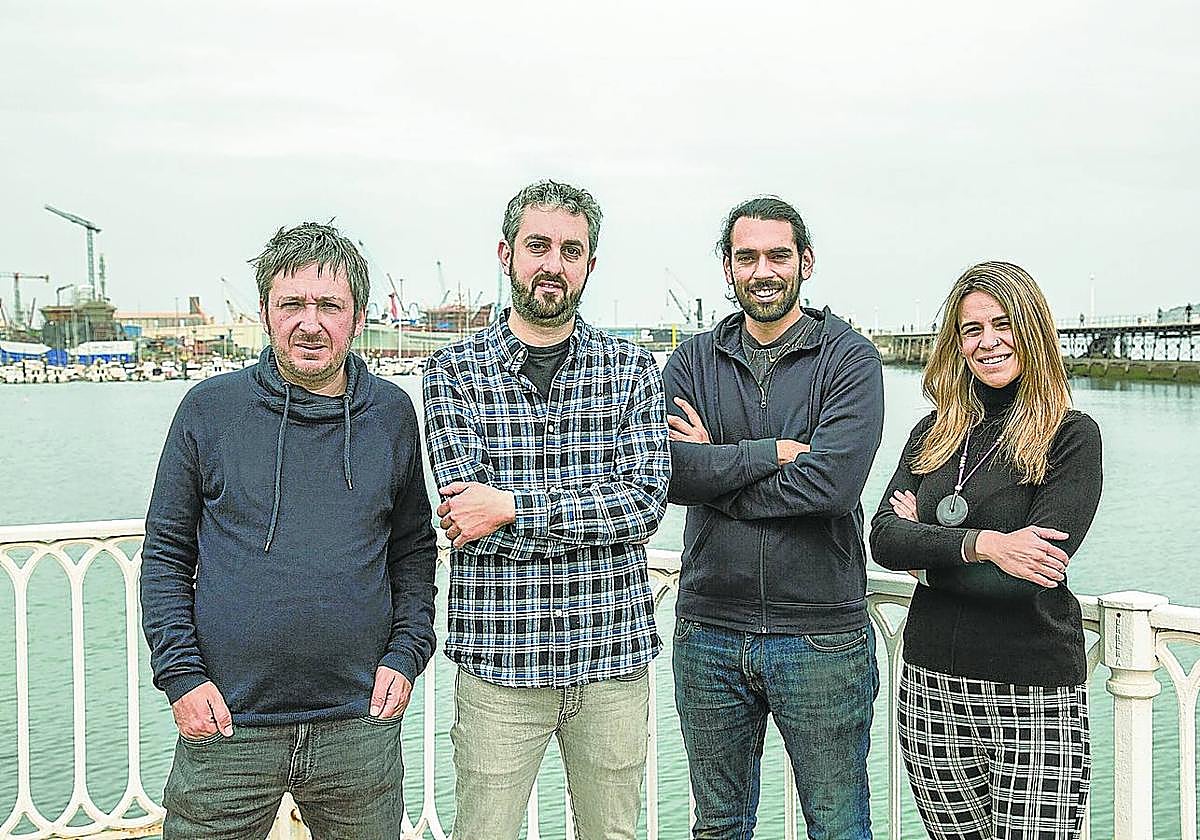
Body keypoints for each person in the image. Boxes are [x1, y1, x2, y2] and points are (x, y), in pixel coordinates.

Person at [140, 222, 438, 840]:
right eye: (292, 304)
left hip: (359, 721)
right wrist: (181, 676)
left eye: (329, 305)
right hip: (227, 720)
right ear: (265, 312)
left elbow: (413, 551)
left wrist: (406, 656)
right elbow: (166, 555)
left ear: (356, 317)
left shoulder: (391, 415)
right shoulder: (208, 409)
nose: (310, 322)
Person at [422, 179, 670, 840]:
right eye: (538, 245)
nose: (552, 264)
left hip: (611, 661)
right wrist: (570, 514)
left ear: (590, 265)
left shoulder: (633, 370)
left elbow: (644, 506)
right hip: (502, 665)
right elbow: (464, 514)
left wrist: (508, 507)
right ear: (506, 253)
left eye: (570, 250)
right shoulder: (452, 372)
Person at [663, 196, 884, 839]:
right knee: (718, 825)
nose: (764, 270)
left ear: (805, 262)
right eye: (747, 257)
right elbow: (670, 473)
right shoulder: (691, 362)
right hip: (709, 629)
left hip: (820, 634)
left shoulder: (850, 359)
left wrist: (720, 476)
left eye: (778, 255)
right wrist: (764, 456)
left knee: (837, 824)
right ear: (728, 271)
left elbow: (834, 485)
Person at [870, 261, 1103, 840]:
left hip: (1033, 687)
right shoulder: (933, 433)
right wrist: (988, 545)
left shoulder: (1072, 436)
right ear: (956, 341)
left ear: (1033, 333)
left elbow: (1030, 577)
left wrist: (928, 555)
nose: (988, 341)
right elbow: (882, 539)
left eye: (1004, 324)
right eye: (972, 329)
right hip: (930, 684)